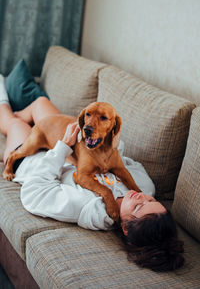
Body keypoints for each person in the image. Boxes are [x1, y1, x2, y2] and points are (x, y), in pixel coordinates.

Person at [0, 75, 184, 272]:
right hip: (73, 143)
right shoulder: (146, 187)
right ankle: (25, 112)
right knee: (41, 103)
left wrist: (62, 148)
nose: (141, 197)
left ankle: (5, 94)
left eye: (138, 207)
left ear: (125, 227)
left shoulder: (87, 207)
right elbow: (126, 163)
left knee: (13, 123)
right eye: (151, 201)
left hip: (34, 161)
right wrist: (109, 145)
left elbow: (34, 193)